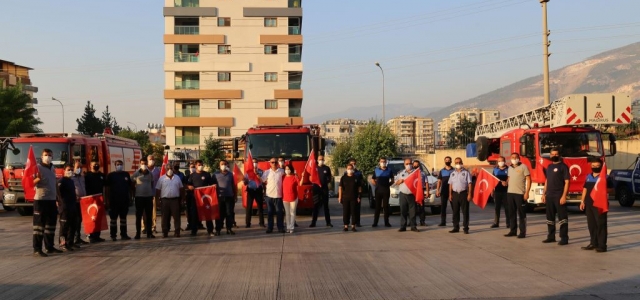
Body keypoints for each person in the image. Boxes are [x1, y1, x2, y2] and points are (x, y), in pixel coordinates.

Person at [33, 148, 62, 257]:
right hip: (41, 201)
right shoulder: (37, 168)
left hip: (51, 200)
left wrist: (58, 197)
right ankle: (37, 249)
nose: (48, 157)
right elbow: (29, 182)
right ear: (42, 156)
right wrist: (37, 179)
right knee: (39, 227)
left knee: (51, 225)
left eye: (50, 155)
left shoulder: (52, 168)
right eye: (46, 155)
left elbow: (55, 183)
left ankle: (49, 247)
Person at [579, 159, 612, 252]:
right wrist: (582, 201)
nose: (595, 167)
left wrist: (602, 189)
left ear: (601, 166)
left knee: (601, 224)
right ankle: (593, 243)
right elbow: (585, 189)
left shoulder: (605, 177)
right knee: (591, 225)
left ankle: (602, 245)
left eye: (597, 165)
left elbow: (611, 189)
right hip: (589, 204)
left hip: (600, 204)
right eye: (593, 165)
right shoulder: (588, 176)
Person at [542, 148, 570, 245]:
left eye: (556, 154)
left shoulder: (563, 167)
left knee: (562, 218)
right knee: (550, 217)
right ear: (550, 156)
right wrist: (543, 194)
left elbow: (567, 182)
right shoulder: (549, 167)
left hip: (559, 195)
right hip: (549, 195)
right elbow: (547, 181)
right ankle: (551, 236)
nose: (554, 155)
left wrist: (564, 196)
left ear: (559, 155)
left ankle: (564, 238)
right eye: (552, 154)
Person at [187, 160, 217, 236]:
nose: (200, 166)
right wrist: (189, 186)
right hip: (195, 198)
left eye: (201, 165)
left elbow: (211, 184)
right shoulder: (192, 175)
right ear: (196, 166)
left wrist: (214, 186)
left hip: (205, 198)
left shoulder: (207, 174)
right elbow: (188, 184)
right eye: (199, 165)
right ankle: (194, 231)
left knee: (207, 214)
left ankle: (210, 230)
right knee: (194, 215)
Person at [106, 160, 133, 241]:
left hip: (124, 200)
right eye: (118, 164)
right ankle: (113, 235)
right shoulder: (111, 175)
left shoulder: (126, 174)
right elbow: (107, 188)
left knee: (123, 219)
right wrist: (107, 200)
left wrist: (130, 198)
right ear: (115, 166)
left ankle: (124, 234)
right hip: (114, 201)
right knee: (113, 219)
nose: (119, 166)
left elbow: (130, 187)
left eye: (121, 164)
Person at [506, 153, 531, 238]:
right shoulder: (509, 168)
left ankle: (522, 232)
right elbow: (509, 178)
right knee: (511, 213)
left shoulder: (523, 167)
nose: (514, 159)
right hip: (510, 193)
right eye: (512, 157)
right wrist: (506, 182)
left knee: (521, 214)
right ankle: (513, 231)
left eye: (516, 157)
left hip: (520, 194)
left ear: (519, 158)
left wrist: (527, 192)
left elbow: (528, 179)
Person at [155, 166, 184, 238]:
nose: (170, 170)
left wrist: (183, 199)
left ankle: (177, 232)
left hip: (175, 200)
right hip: (165, 200)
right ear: (165, 170)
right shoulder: (161, 179)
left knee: (177, 217)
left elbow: (181, 189)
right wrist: (157, 200)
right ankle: (165, 232)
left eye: (171, 168)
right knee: (164, 217)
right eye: (168, 169)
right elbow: (158, 190)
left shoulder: (177, 178)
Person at [394, 158, 420, 232]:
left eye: (410, 163)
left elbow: (419, 183)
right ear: (404, 164)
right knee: (403, 211)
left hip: (412, 194)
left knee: (413, 212)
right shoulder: (400, 173)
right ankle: (403, 226)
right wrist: (400, 181)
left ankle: (413, 226)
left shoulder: (416, 173)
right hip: (403, 194)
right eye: (407, 164)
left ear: (412, 164)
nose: (409, 165)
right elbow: (396, 183)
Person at [448, 157, 472, 234]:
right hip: (455, 194)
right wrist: (450, 194)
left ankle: (466, 228)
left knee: (465, 212)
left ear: (462, 163)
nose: (458, 164)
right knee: (455, 211)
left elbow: (470, 184)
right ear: (454, 164)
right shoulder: (452, 173)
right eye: (456, 163)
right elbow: (450, 184)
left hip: (463, 194)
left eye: (459, 162)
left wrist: (469, 194)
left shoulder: (466, 172)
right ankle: (456, 227)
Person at [57, 165, 78, 252]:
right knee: (64, 228)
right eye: (69, 170)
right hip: (65, 208)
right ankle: (63, 244)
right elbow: (58, 193)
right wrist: (59, 202)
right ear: (64, 170)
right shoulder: (61, 181)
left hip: (72, 207)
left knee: (73, 226)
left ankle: (70, 242)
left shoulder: (71, 181)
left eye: (72, 170)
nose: (70, 171)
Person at [132, 158, 155, 239]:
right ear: (140, 164)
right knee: (138, 216)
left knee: (149, 216)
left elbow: (152, 184)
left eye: (145, 163)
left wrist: (150, 193)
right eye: (142, 163)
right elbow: (132, 184)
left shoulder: (150, 174)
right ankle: (138, 233)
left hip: (148, 197)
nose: (144, 165)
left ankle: (149, 233)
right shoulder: (136, 174)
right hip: (139, 197)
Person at [85, 161, 106, 243]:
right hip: (90, 199)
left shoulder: (101, 175)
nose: (96, 166)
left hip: (99, 199)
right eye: (94, 165)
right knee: (91, 218)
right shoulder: (87, 176)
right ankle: (90, 235)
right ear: (90, 166)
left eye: (97, 165)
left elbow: (105, 187)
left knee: (98, 219)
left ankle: (97, 235)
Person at [213, 160, 236, 235]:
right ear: (219, 165)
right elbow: (211, 186)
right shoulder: (215, 174)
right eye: (222, 164)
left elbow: (233, 185)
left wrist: (234, 195)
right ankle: (218, 229)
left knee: (229, 213)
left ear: (227, 165)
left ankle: (229, 229)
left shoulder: (230, 174)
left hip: (229, 196)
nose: (223, 165)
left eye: (225, 164)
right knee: (219, 214)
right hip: (219, 197)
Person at [262, 157, 285, 234]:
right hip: (269, 196)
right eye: (272, 162)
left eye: (275, 162)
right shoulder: (267, 172)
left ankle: (280, 227)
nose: (274, 163)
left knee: (279, 213)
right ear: (270, 163)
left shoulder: (282, 171)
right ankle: (270, 228)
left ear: (277, 163)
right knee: (270, 213)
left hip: (278, 196)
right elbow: (262, 180)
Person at [309, 155, 333, 228]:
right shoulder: (314, 168)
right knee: (316, 206)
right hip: (316, 189)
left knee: (326, 206)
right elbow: (310, 177)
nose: (321, 160)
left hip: (324, 189)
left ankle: (328, 222)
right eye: (320, 159)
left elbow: (330, 178)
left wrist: (326, 181)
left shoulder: (327, 168)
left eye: (322, 159)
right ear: (317, 160)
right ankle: (313, 222)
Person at [370, 157, 393, 227]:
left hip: (386, 190)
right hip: (378, 191)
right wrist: (377, 185)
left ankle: (386, 222)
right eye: (381, 161)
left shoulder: (389, 170)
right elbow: (373, 179)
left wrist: (388, 185)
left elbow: (392, 180)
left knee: (386, 207)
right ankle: (375, 222)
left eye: (384, 161)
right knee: (377, 207)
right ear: (379, 162)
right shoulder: (376, 170)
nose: (383, 163)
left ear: (386, 162)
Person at [339, 163, 361, 232]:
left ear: (353, 169)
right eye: (348, 169)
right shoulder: (343, 178)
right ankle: (346, 226)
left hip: (354, 198)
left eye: (351, 169)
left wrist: (359, 196)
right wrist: (340, 197)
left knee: (353, 212)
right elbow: (340, 188)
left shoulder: (356, 178)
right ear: (346, 169)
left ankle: (353, 226)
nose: (350, 170)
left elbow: (359, 188)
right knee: (346, 212)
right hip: (345, 197)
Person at [142, 155, 161, 234]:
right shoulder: (143, 170)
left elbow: (160, 181)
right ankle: (144, 227)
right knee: (144, 211)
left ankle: (153, 227)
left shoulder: (157, 170)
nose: (151, 161)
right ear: (147, 160)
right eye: (150, 159)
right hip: (144, 194)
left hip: (154, 193)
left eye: (153, 159)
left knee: (153, 212)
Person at [244, 158, 265, 228]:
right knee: (249, 207)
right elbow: (245, 183)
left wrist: (257, 175)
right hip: (250, 190)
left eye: (256, 162)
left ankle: (261, 223)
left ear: (257, 163)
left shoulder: (261, 172)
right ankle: (247, 223)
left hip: (258, 190)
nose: (254, 164)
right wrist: (245, 181)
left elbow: (263, 181)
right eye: (253, 162)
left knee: (260, 207)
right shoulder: (248, 172)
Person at [70, 160, 87, 245]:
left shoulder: (82, 177)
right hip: (75, 202)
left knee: (79, 220)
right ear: (74, 168)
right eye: (78, 167)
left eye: (81, 167)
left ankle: (78, 237)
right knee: (75, 220)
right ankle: (72, 238)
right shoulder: (71, 177)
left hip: (82, 202)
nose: (79, 169)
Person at [184, 162, 204, 231]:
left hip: (202, 197)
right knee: (192, 212)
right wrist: (188, 187)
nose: (192, 168)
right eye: (191, 167)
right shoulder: (189, 176)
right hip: (191, 196)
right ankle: (192, 226)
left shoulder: (206, 174)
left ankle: (200, 224)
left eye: (201, 165)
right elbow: (185, 185)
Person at [491, 156, 510, 229]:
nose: (500, 162)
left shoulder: (509, 169)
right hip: (497, 191)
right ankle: (496, 223)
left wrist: (506, 182)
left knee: (507, 208)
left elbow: (510, 177)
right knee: (497, 208)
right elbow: (492, 180)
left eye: (502, 161)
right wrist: (492, 190)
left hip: (506, 191)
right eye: (499, 161)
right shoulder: (495, 169)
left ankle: (508, 223)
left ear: (505, 161)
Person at [282, 164, 301, 233]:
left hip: (293, 198)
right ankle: (288, 227)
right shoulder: (283, 177)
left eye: (288, 169)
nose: (287, 170)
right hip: (285, 198)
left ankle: (292, 227)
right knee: (287, 213)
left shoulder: (294, 177)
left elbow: (300, 184)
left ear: (291, 170)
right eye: (286, 169)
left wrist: (301, 176)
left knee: (292, 213)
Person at [436, 156, 454, 226]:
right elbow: (439, 181)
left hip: (452, 191)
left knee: (454, 207)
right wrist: (437, 190)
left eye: (449, 160)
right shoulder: (442, 171)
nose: (447, 161)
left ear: (451, 161)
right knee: (443, 207)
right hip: (444, 191)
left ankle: (454, 221)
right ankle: (443, 222)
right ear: (444, 161)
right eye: (446, 160)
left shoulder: (454, 170)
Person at [346, 158, 364, 227]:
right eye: (352, 164)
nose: (353, 165)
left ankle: (357, 222)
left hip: (357, 193)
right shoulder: (346, 173)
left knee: (357, 208)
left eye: (354, 164)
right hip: (348, 194)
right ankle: (347, 223)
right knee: (348, 209)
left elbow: (362, 182)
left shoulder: (358, 173)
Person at [413, 160, 429, 226]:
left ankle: (422, 221)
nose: (416, 166)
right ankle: (412, 222)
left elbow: (426, 183)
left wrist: (427, 191)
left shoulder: (423, 173)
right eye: (415, 164)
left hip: (420, 191)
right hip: (413, 191)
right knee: (412, 207)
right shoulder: (411, 174)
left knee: (421, 207)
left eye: (417, 164)